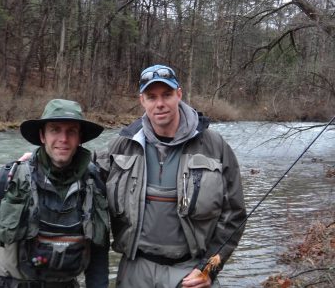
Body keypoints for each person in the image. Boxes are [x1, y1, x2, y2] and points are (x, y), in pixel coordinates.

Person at [95, 64, 247, 288]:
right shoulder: (121, 145)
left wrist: (210, 268)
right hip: (135, 269)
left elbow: (234, 213)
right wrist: (35, 162)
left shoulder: (215, 146)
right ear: (142, 101)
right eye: (151, 96)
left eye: (166, 95)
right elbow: (83, 177)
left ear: (179, 94)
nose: (160, 104)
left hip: (191, 270)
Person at [0, 99, 110, 288]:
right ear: (42, 136)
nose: (63, 138)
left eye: (71, 131)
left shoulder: (94, 186)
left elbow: (98, 262)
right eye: (55, 129)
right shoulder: (9, 179)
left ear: (79, 138)